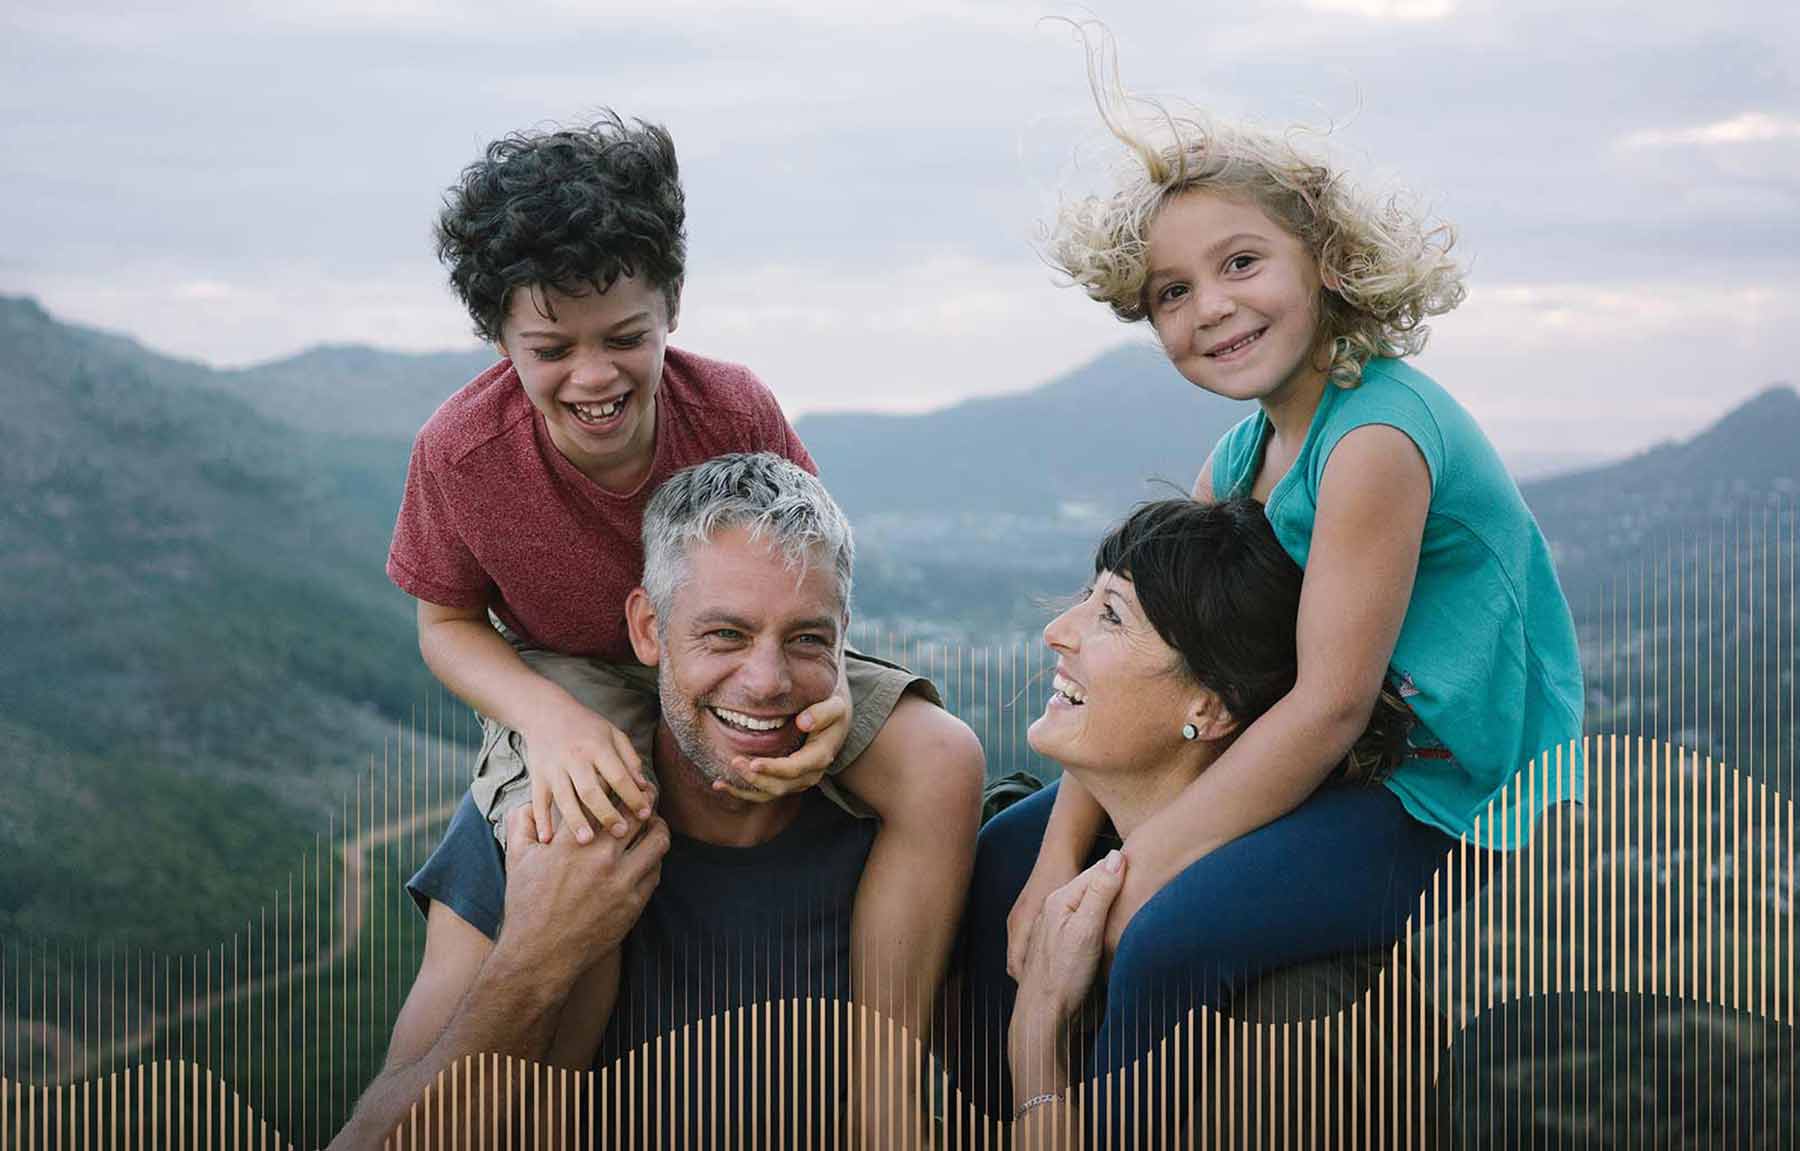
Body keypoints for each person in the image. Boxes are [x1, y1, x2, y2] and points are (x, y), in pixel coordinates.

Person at [384, 114, 984, 1048]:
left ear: (670, 307)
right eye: (551, 350)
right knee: (585, 838)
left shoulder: (734, 406)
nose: (593, 375)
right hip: (571, 670)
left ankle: (885, 1079)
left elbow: (807, 568)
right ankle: (566, 1099)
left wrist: (828, 707)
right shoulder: (460, 453)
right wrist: (552, 722)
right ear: (499, 340)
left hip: (738, 638)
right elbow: (445, 623)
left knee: (940, 758)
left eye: (625, 335)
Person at [1006, 36, 1584, 985]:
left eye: (1242, 262)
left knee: (1160, 936)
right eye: (1173, 292)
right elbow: (1148, 666)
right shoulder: (1237, 460)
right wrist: (1053, 862)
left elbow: (1327, 706)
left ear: (1324, 261)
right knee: (1004, 859)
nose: (1214, 307)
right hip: (1342, 761)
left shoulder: (1376, 441)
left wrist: (1131, 872)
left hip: (1440, 796)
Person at [338, 454, 984, 1146]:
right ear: (648, 629)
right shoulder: (532, 830)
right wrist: (535, 954)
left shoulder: (891, 833)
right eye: (725, 634)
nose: (766, 682)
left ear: (843, 639)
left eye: (806, 639)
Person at [964, 499, 1459, 1142]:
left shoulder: (1301, 1021)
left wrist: (1036, 1046)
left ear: (1211, 706)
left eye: (1110, 615)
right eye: (1088, 597)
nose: (1058, 629)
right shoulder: (1028, 870)